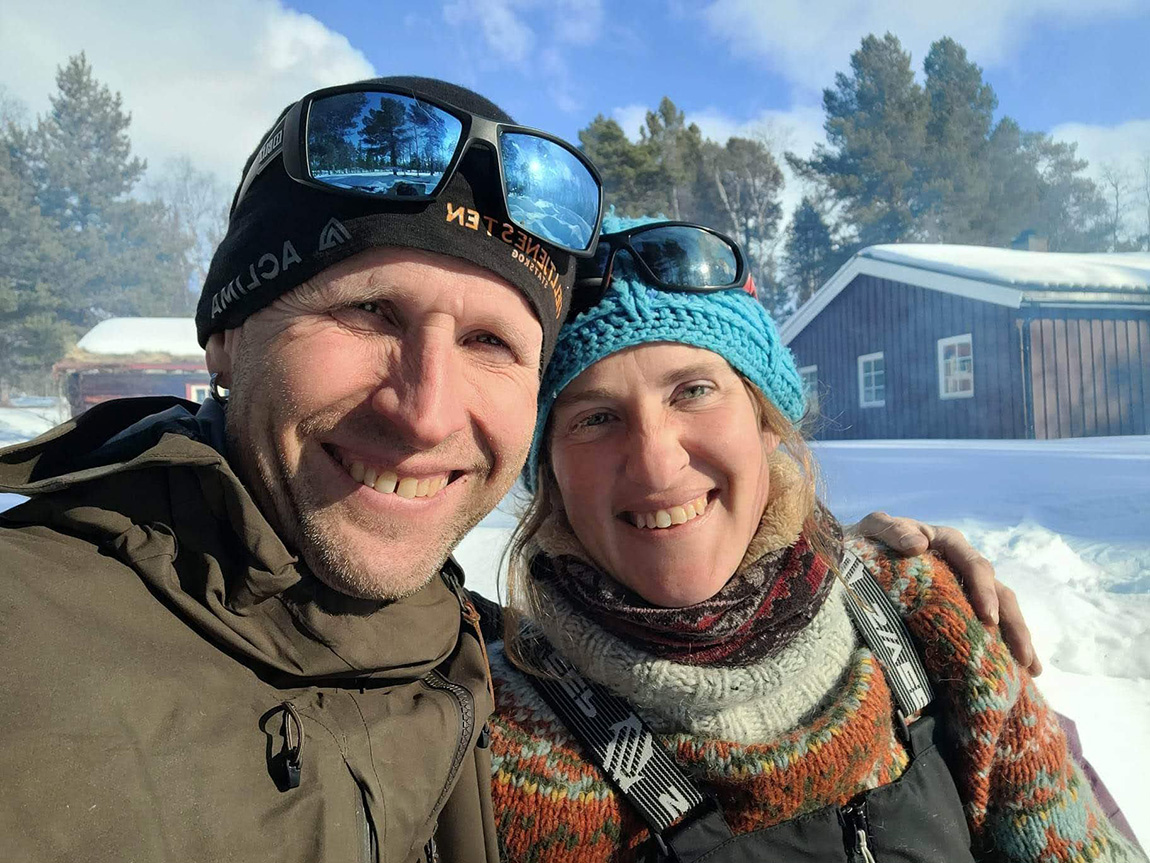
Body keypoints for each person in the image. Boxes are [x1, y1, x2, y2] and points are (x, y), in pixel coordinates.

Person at [0, 77, 1033, 862]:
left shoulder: (459, 656)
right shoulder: (519, 723)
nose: (425, 410)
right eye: (368, 311)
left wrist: (856, 561)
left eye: (492, 342)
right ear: (223, 334)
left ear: (770, 423)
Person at [487, 216, 1144, 862]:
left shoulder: (921, 613)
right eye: (596, 417)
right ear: (548, 471)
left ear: (765, 422)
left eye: (693, 390)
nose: (656, 463)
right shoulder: (503, 740)